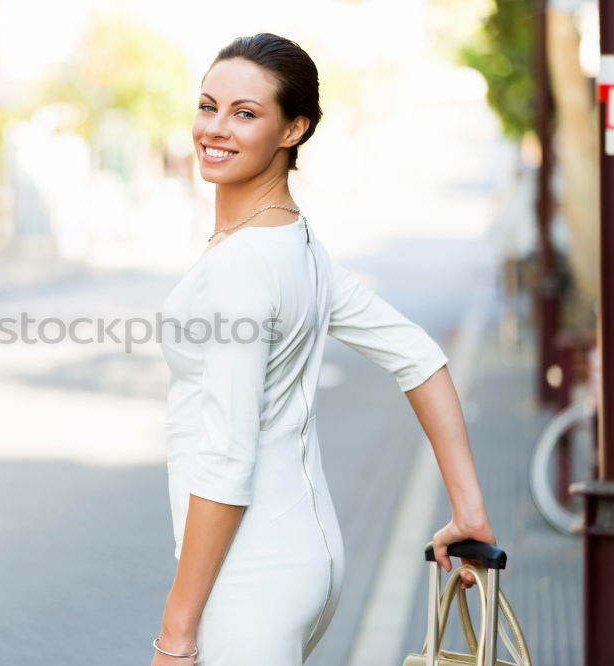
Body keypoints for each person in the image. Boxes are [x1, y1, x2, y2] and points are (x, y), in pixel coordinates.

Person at [151, 33, 497, 666]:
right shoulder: (297, 242)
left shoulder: (244, 264)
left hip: (252, 576)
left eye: (245, 113)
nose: (215, 128)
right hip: (308, 560)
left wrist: (175, 635)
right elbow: (417, 355)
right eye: (208, 106)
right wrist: (468, 509)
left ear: (294, 129)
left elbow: (227, 458)